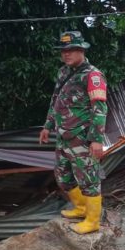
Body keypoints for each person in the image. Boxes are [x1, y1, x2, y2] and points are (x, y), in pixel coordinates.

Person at [39, 31, 107, 234]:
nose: (66, 54)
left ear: (82, 50)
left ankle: (93, 220)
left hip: (82, 137)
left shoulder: (93, 75)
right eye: (63, 51)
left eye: (71, 50)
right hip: (64, 135)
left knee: (88, 179)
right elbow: (56, 101)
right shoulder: (63, 72)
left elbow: (100, 108)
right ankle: (80, 208)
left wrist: (96, 139)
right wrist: (47, 126)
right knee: (63, 175)